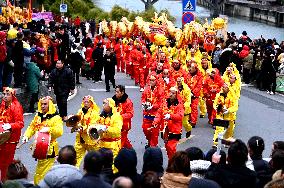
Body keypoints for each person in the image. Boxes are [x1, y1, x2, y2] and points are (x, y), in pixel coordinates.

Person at [22, 96, 64, 185]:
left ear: (50, 105)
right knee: (40, 171)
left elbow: (59, 132)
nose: (43, 106)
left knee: (43, 173)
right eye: (42, 104)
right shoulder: (38, 116)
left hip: (49, 149)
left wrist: (49, 129)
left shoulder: (56, 118)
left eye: (45, 104)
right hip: (40, 148)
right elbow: (32, 127)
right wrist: (26, 136)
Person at [0, 87, 24, 181]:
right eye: (4, 94)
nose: (5, 96)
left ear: (12, 96)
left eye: (7, 95)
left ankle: (5, 182)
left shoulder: (16, 106)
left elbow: (20, 123)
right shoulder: (3, 104)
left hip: (11, 140)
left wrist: (9, 126)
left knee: (6, 164)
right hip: (2, 138)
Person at [154, 87, 184, 159]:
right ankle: (171, 162)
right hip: (165, 129)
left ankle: (173, 163)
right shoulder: (164, 103)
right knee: (167, 147)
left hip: (174, 130)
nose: (171, 94)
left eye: (173, 93)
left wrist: (171, 116)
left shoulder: (179, 105)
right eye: (170, 92)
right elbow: (159, 113)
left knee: (171, 147)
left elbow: (180, 116)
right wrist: (156, 121)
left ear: (176, 95)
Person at [73, 95, 100, 167]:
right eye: (84, 101)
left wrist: (82, 128)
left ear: (91, 103)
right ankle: (74, 173)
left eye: (88, 102)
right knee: (76, 157)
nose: (86, 103)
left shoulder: (95, 113)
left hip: (90, 139)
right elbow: (77, 120)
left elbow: (92, 126)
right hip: (80, 138)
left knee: (95, 158)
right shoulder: (80, 111)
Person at [141, 72, 163, 148]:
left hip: (156, 114)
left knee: (154, 132)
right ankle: (149, 141)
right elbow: (143, 98)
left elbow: (160, 103)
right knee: (145, 129)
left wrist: (153, 106)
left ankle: (153, 146)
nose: (151, 81)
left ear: (156, 80)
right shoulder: (146, 89)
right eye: (150, 80)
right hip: (147, 113)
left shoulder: (160, 90)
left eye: (153, 80)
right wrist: (143, 104)